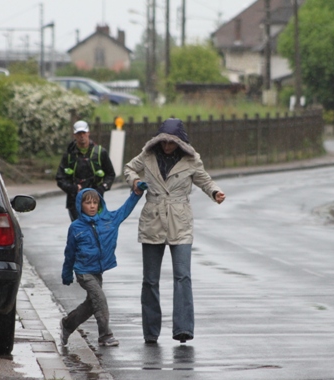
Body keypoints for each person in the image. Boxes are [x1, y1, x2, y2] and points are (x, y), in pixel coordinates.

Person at [123, 118, 226, 344]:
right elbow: (129, 168)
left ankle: (183, 329)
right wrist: (136, 181)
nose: (167, 146)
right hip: (153, 216)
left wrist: (215, 192)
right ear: (159, 140)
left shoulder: (191, 159)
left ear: (180, 142)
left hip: (180, 219)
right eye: (164, 142)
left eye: (172, 143)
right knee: (150, 279)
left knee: (183, 276)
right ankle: (150, 331)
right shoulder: (147, 155)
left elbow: (205, 180)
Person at [60, 184, 147, 347]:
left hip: (97, 271)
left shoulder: (109, 220)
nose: (92, 206)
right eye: (88, 203)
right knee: (100, 299)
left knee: (92, 304)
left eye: (95, 203)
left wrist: (136, 194)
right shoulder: (75, 227)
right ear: (80, 205)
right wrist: (66, 274)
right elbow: (69, 252)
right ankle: (105, 335)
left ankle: (67, 324)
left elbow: (125, 209)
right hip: (83, 271)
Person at [56, 120, 116, 221]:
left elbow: (110, 174)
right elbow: (60, 178)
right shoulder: (69, 155)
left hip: (96, 199)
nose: (82, 136)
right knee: (80, 231)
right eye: (79, 133)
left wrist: (101, 189)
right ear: (74, 135)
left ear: (88, 133)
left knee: (96, 230)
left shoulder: (100, 152)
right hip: (74, 201)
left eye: (84, 133)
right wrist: (73, 188)